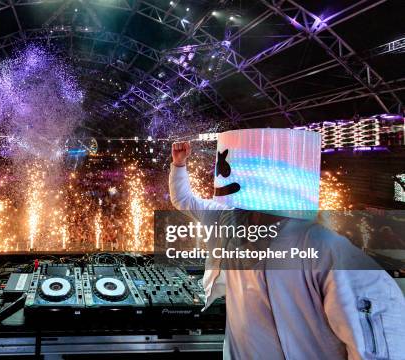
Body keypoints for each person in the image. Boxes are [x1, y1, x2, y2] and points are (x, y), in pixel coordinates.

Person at [169, 129, 405, 359]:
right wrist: (179, 166)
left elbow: (379, 347)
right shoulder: (227, 220)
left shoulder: (327, 252)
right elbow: (184, 200)